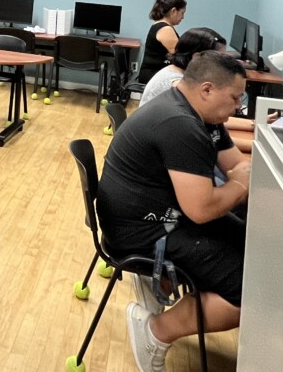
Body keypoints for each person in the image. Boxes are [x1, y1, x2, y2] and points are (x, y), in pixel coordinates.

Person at [98, 51, 250, 372]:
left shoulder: (203, 116)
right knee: (249, 294)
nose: (239, 107)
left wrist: (240, 180)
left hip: (162, 218)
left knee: (253, 251)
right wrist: (239, 186)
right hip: (145, 234)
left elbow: (236, 164)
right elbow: (203, 210)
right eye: (235, 97)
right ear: (207, 89)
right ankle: (156, 331)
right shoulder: (180, 125)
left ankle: (170, 292)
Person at [141, 26, 260, 152]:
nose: (224, 65)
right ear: (197, 57)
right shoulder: (178, 84)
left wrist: (253, 124)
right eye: (219, 58)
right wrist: (258, 147)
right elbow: (208, 137)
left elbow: (215, 123)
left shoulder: (182, 74)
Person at [137, 0, 187, 83]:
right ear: (174, 11)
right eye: (182, 13)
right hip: (153, 74)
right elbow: (180, 55)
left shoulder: (160, 25)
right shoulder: (165, 29)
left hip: (154, 72)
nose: (183, 17)